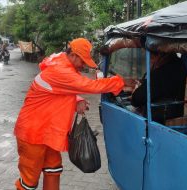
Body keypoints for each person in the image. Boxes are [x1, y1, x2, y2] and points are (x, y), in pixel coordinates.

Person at [14, 38, 124, 190]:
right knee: (29, 179)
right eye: (82, 61)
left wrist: (77, 99)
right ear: (72, 55)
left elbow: (57, 89)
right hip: (32, 133)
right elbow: (89, 86)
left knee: (53, 169)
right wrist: (120, 82)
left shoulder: (58, 62)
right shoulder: (61, 70)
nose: (84, 65)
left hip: (48, 132)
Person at [131, 51, 187, 123]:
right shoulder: (179, 64)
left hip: (163, 117)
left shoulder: (160, 74)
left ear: (159, 55)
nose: (151, 62)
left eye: (151, 58)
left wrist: (135, 91)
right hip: (177, 110)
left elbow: (137, 99)